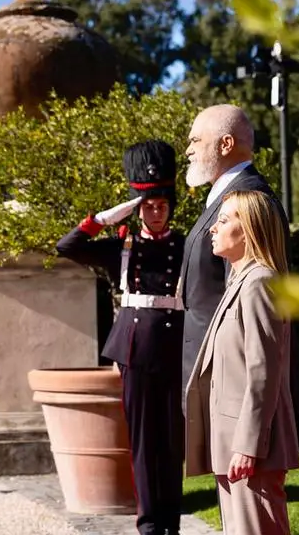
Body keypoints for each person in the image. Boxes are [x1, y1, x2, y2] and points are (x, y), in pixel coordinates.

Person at [56, 140, 184, 535]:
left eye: (162, 205)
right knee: (144, 444)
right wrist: (104, 218)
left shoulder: (185, 245)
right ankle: (149, 526)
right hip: (136, 352)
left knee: (172, 445)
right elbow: (67, 247)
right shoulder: (122, 246)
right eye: (148, 205)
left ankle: (171, 524)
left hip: (177, 350)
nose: (157, 212)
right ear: (137, 207)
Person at [178, 104, 299, 417]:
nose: (187, 150)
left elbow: (249, 298)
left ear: (225, 144)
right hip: (214, 377)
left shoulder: (250, 201)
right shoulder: (227, 197)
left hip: (230, 384)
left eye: (195, 141)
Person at [184, 189, 299, 535]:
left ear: (249, 229)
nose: (212, 229)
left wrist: (248, 446)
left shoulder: (260, 283)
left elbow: (263, 372)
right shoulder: (241, 281)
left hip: (251, 449)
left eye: (223, 220)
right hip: (233, 445)